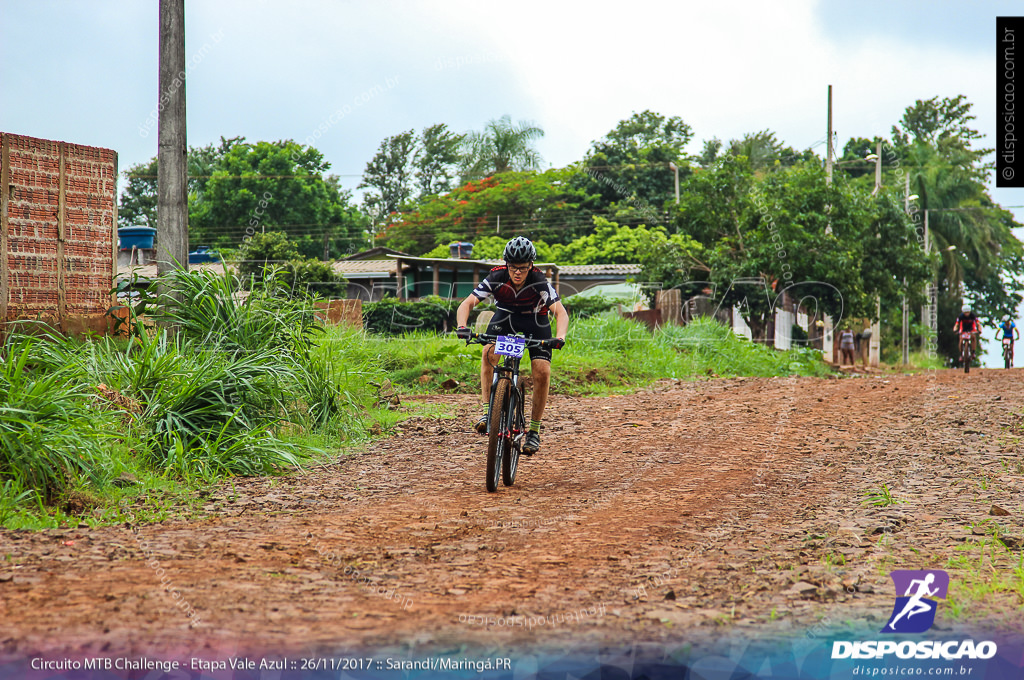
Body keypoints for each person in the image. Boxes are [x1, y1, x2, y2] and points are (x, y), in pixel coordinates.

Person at [454, 236, 569, 455]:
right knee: (488, 352)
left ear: (531, 266)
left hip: (535, 320)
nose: (517, 272)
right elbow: (467, 303)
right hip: (506, 317)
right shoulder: (496, 276)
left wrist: (560, 337)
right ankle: (489, 412)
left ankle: (534, 431)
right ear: (506, 264)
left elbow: (561, 312)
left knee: (542, 370)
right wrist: (462, 326)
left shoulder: (539, 281)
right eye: (513, 267)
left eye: (523, 268)